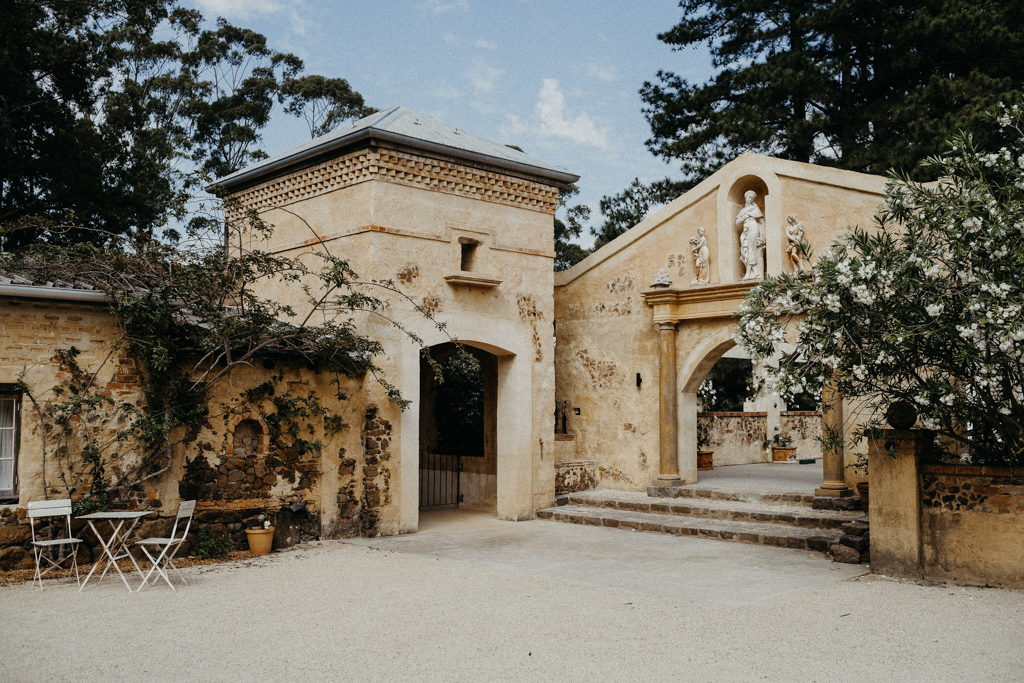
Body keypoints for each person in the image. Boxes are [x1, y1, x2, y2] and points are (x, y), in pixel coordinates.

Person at [735, 190, 765, 280]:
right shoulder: (743, 210)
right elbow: (736, 222)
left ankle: (748, 273)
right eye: (749, 197)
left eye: (752, 198)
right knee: (744, 250)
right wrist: (745, 216)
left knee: (751, 249)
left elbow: (762, 222)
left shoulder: (755, 209)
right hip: (745, 230)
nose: (750, 199)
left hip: (753, 228)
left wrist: (763, 236)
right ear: (745, 197)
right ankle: (754, 272)